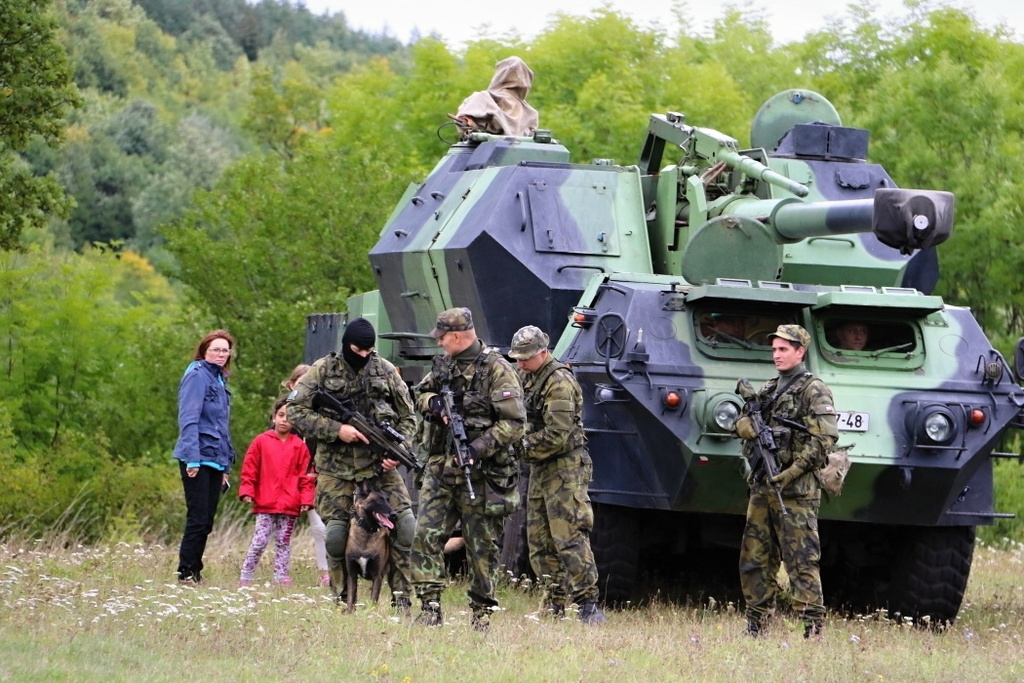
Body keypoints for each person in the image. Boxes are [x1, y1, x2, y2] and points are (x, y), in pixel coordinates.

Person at [286, 318, 417, 612]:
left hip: (378, 467)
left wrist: (399, 450)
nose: (364, 356)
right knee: (334, 536)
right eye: (358, 350)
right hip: (336, 468)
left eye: (369, 351)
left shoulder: (384, 369)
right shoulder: (322, 370)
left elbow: (409, 418)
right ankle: (343, 599)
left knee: (406, 526)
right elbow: (294, 411)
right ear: (346, 345)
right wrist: (336, 430)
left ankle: (401, 598)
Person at [410, 307, 526, 631]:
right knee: (425, 536)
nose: (440, 344)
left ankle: (481, 616)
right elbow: (420, 393)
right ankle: (430, 607)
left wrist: (477, 448)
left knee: (482, 548)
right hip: (442, 470)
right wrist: (435, 405)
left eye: (443, 338)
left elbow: (515, 423)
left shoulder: (497, 369)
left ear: (458, 336)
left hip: (483, 475)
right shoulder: (444, 364)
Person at [733, 324, 838, 639]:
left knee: (801, 561)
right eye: (775, 349)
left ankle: (812, 627)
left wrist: (791, 472)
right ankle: (757, 622)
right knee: (754, 558)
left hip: (797, 493)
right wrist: (746, 427)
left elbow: (825, 439)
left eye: (783, 349)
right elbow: (739, 420)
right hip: (763, 488)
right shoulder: (767, 388)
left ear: (800, 352)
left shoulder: (813, 389)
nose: (777, 355)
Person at [509, 325, 605, 625]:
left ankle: (588, 605)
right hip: (541, 467)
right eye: (517, 358)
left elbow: (556, 436)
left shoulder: (559, 382)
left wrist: (516, 447)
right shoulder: (528, 377)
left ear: (543, 353)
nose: (520, 363)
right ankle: (554, 602)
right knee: (539, 540)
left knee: (569, 536)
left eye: (526, 357)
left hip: (565, 467)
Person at [172, 329, 237, 584]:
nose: (221, 354)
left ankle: (195, 571)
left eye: (225, 350)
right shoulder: (197, 375)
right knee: (197, 518)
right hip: (197, 455)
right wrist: (192, 458)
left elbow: (221, 425)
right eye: (216, 349)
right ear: (204, 351)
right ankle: (186, 572)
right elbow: (189, 417)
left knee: (207, 520)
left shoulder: (219, 379)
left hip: (215, 456)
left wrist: (226, 463)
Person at [238, 396, 315, 587]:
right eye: (280, 415)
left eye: (288, 417)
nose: (283, 420)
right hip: (265, 503)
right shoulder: (261, 441)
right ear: (273, 417)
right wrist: (247, 490)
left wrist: (306, 499)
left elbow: (306, 476)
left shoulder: (300, 446)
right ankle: (246, 575)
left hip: (290, 505)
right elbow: (250, 468)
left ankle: (280, 577)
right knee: (260, 541)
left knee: (283, 542)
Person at [282, 363, 330, 587]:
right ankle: (278, 572)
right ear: (292, 385)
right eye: (300, 383)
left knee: (322, 527)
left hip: (319, 476)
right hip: (291, 478)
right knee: (279, 528)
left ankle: (327, 572)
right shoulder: (284, 415)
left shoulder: (324, 414)